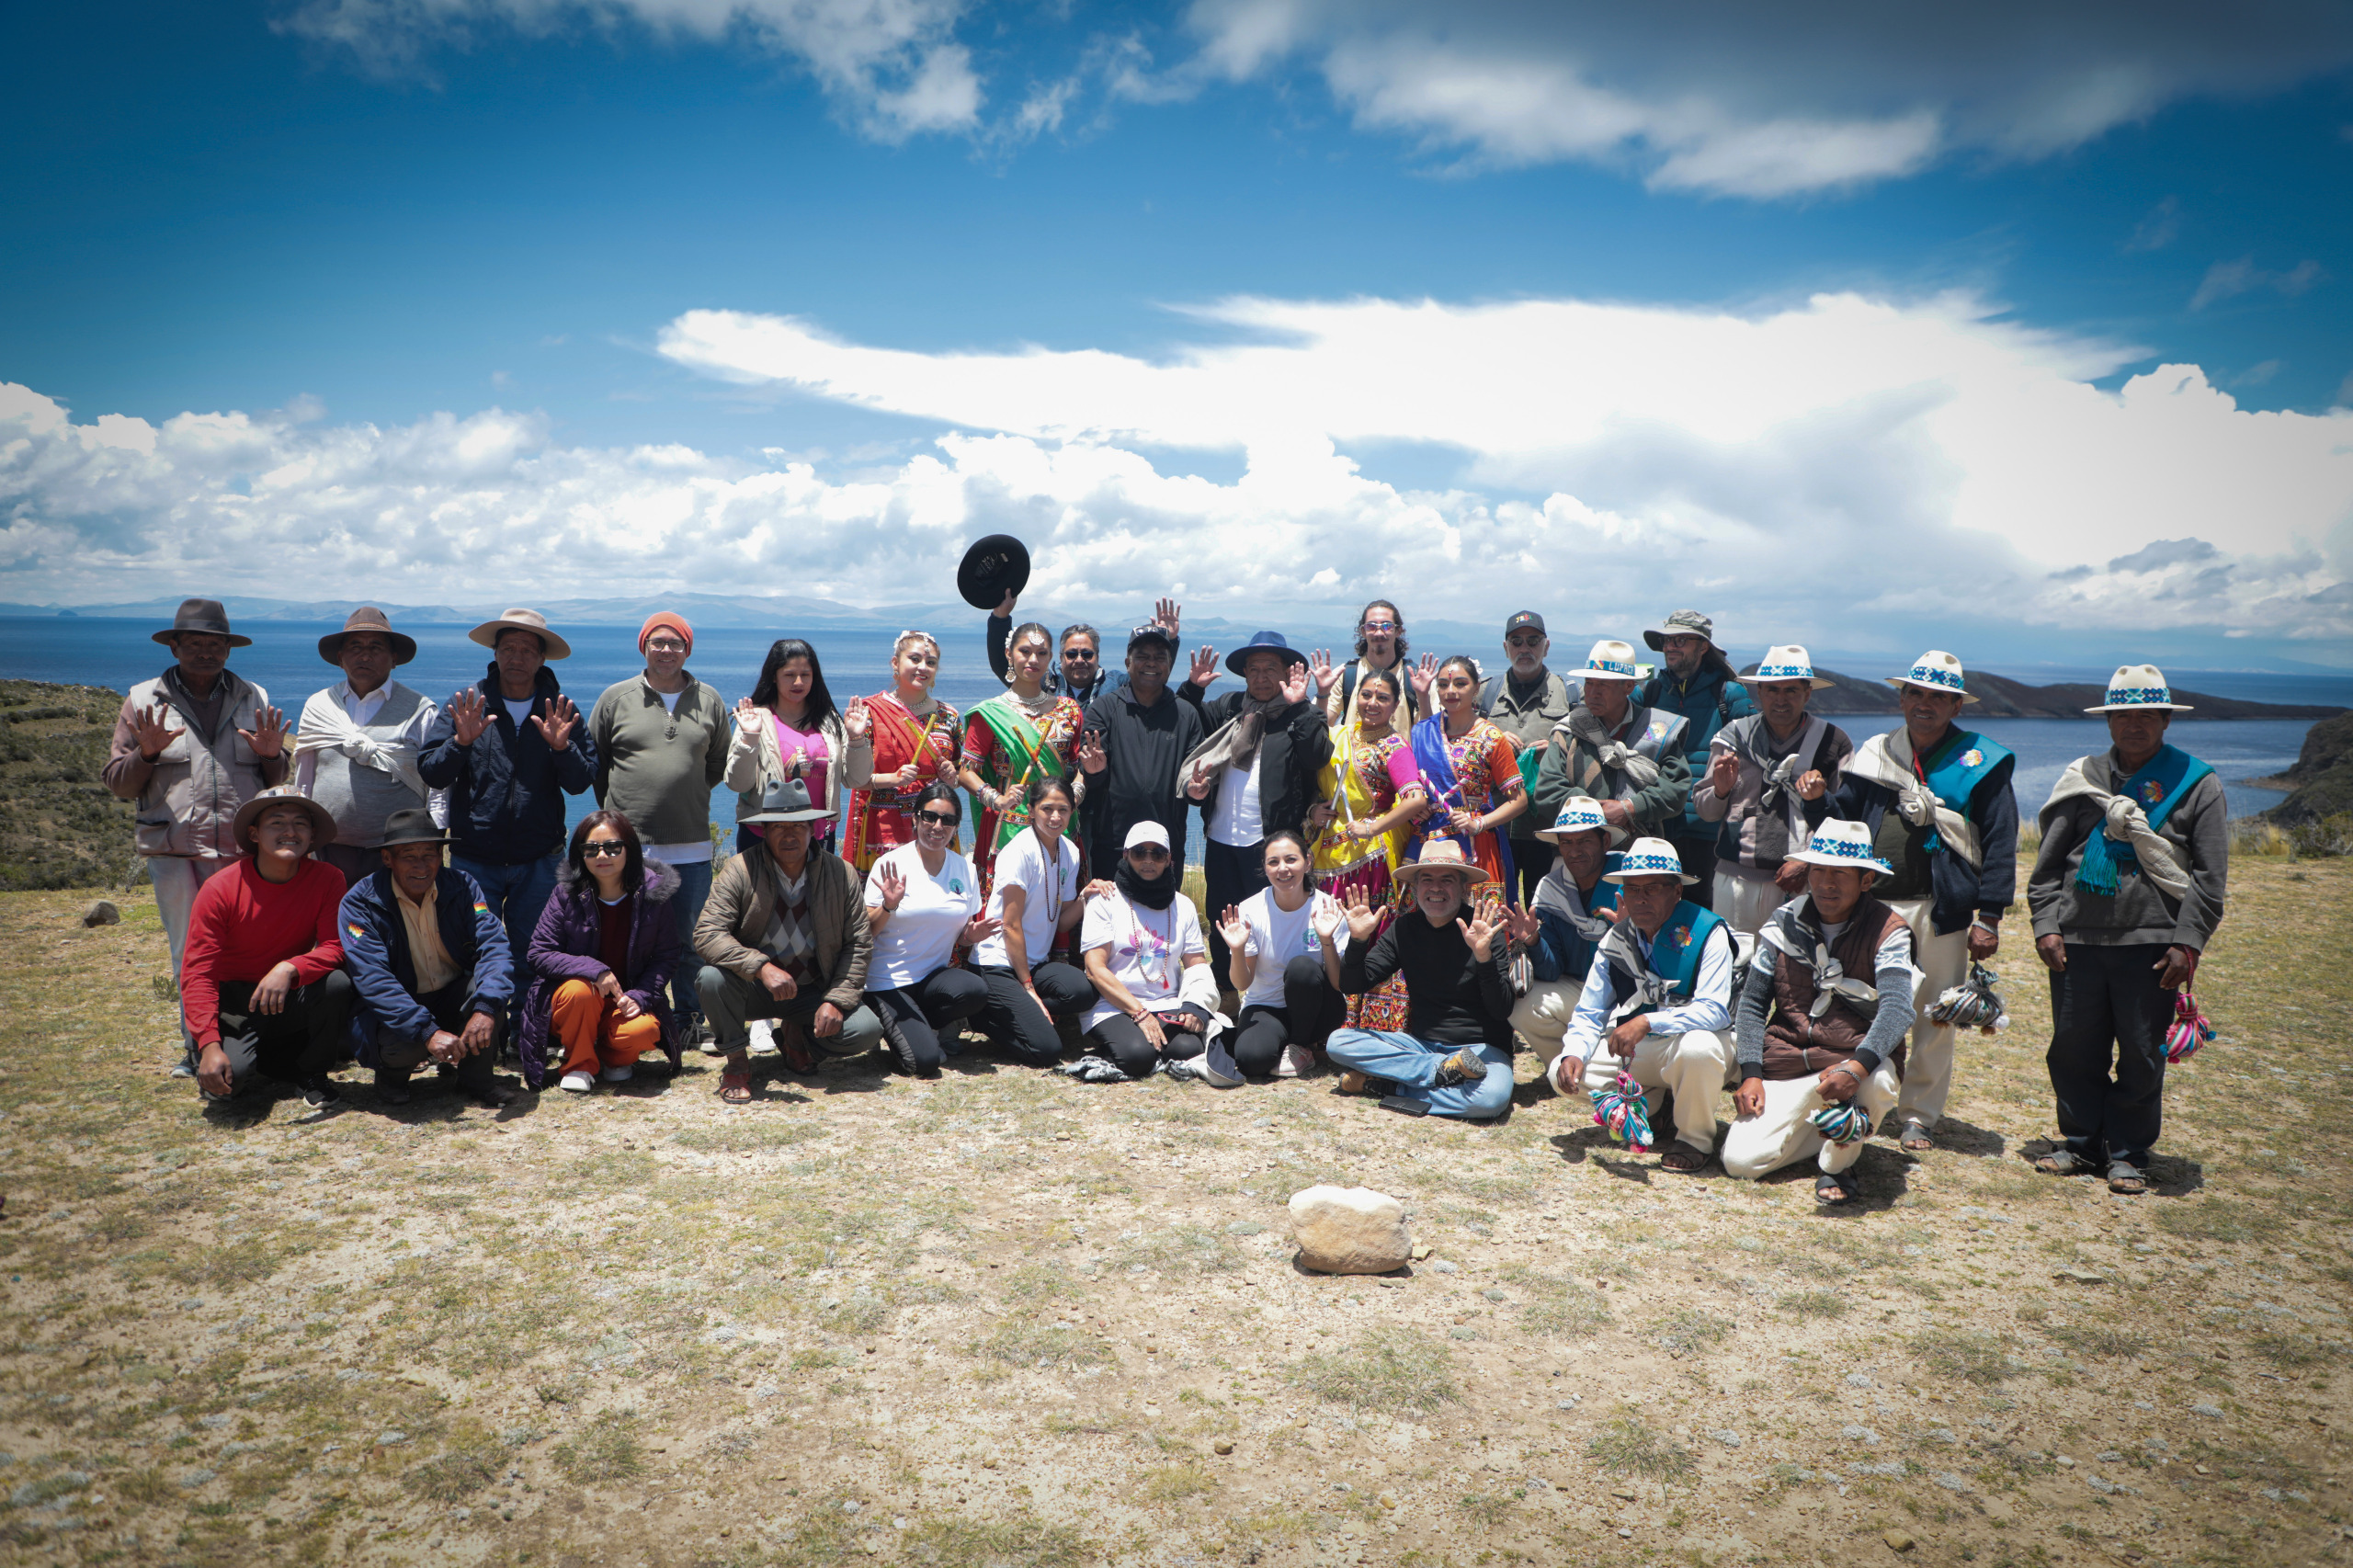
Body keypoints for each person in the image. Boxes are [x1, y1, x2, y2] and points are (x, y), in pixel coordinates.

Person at [2028, 665, 2228, 1196]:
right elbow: (2048, 864)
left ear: (2165, 720)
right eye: (2123, 715)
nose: (2134, 725)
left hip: (2153, 944)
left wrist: (2188, 941)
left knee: (2141, 1052)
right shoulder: (2083, 780)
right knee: (2073, 1048)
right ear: (2109, 721)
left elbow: (2210, 877)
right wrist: (2046, 924)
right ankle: (2080, 1142)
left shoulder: (2196, 783)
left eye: (2146, 715)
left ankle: (2128, 1152)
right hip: (2077, 940)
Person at [1828, 651, 2018, 1153]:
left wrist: (1990, 916)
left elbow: (2000, 838)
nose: (1924, 704)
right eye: (1916, 693)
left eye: (1939, 697)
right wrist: (1812, 800)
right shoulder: (1877, 754)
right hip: (1874, 904)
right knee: (1862, 1005)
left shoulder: (1980, 762)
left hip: (1940, 909)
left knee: (1935, 1014)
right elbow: (1844, 816)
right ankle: (1860, 1098)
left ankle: (1918, 1115)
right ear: (1902, 698)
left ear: (1956, 706)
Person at [104, 597, 288, 1072]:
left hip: (240, 850)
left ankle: (253, 1042)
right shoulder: (142, 700)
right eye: (194, 644)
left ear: (228, 649)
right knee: (190, 950)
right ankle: (198, 1046)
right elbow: (118, 783)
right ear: (175, 647)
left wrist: (273, 756)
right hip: (175, 852)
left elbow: (275, 779)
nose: (206, 653)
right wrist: (145, 754)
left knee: (247, 946)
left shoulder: (253, 697)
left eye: (215, 645)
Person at [417, 608, 597, 1030]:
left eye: (527, 650)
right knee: (471, 948)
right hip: (474, 857)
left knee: (534, 950)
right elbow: (431, 771)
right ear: (495, 654)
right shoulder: (467, 705)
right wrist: (461, 743)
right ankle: (479, 1034)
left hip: (539, 858)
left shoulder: (561, 709)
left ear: (542, 658)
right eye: (509, 648)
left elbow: (581, 781)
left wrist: (561, 748)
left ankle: (525, 1032)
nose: (517, 657)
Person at [1721, 821, 1917, 1204]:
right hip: (1787, 1061)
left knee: (1877, 1081)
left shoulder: (1889, 930)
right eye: (1819, 871)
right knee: (1740, 1163)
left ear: (1865, 881)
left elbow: (1897, 1008)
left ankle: (1837, 1164)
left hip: (1849, 1063)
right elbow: (1753, 1004)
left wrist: (1855, 1068)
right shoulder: (1783, 923)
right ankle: (1825, 1128)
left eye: (1840, 874)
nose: (1827, 883)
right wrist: (1751, 1073)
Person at [1550, 837, 1734, 1173]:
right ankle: (1653, 1107)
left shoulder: (1709, 931)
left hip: (1693, 1045)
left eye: (1652, 888)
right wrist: (1573, 1052)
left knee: (1698, 1049)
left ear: (1676, 891)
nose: (1641, 898)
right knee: (1559, 1072)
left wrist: (1648, 1022)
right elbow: (1590, 1011)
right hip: (1644, 1048)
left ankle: (1694, 1139)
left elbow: (1715, 1011)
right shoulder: (1617, 937)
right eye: (1633, 889)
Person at [694, 778, 885, 1102]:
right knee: (711, 979)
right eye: (779, 827)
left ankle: (797, 1038)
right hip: (754, 987)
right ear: (764, 831)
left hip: (812, 989)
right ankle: (737, 1063)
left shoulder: (841, 873)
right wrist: (760, 967)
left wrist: (836, 1000)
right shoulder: (740, 869)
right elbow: (707, 933)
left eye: (798, 826)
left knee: (865, 1030)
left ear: (813, 830)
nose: (789, 835)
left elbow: (858, 944)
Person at [590, 612, 729, 1045]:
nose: (666, 650)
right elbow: (597, 764)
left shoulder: (710, 700)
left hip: (691, 846)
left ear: (687, 649)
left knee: (691, 938)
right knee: (626, 937)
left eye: (675, 643)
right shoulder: (616, 699)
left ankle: (688, 1018)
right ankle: (626, 1017)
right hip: (628, 848)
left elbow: (717, 764)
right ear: (644, 647)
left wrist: (683, 790)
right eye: (658, 642)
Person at [178, 787, 352, 1108]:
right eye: (277, 822)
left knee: (338, 984)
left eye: (300, 823)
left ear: (312, 835)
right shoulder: (220, 889)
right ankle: (214, 1050)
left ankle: (312, 1073)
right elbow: (199, 972)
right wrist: (209, 1044)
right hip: (234, 1000)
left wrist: (290, 967)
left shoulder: (328, 878)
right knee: (228, 1086)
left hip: (286, 991)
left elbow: (335, 947)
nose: (290, 831)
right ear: (254, 834)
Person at [1324, 840, 1521, 1121]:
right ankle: (1438, 1071)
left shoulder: (1485, 930)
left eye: (1447, 880)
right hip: (1420, 1046)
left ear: (1464, 888)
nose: (1436, 888)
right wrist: (1358, 940)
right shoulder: (1404, 928)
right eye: (1427, 879)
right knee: (1338, 1041)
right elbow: (1353, 984)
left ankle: (1391, 1085)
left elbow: (1502, 1010)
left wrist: (1483, 957)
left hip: (1481, 1050)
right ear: (1415, 888)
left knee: (1490, 1099)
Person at [338, 806, 517, 1108]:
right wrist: (427, 1032)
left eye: (429, 855)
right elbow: (373, 978)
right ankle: (391, 1078)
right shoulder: (359, 903)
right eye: (408, 856)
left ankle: (477, 1081)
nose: (421, 866)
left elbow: (494, 946)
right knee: (403, 1041)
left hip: (450, 993)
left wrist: (485, 1008)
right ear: (387, 858)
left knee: (486, 994)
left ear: (440, 856)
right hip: (400, 1002)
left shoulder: (463, 886)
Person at [1177, 631, 1334, 974]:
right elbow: (1185, 723)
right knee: (1223, 918)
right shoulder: (1230, 707)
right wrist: (1193, 689)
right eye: (1254, 670)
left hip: (1270, 845)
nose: (1261, 677)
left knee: (1271, 922)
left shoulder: (1302, 713)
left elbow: (1317, 756)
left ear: (1287, 673)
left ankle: (1271, 988)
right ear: (1245, 674)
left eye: (1270, 669)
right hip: (1221, 840)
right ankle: (1226, 989)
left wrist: (1299, 706)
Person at [520, 811, 687, 1096]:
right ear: (580, 853)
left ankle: (612, 1056)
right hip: (574, 1004)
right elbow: (539, 952)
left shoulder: (653, 895)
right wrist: (595, 970)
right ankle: (579, 1064)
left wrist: (641, 996)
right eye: (591, 848)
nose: (602, 855)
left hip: (623, 1000)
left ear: (629, 848)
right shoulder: (566, 893)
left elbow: (666, 956)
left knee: (644, 1030)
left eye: (612, 847)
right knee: (579, 991)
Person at [1695, 644, 1853, 936]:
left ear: (1807, 693)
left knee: (1793, 962)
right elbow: (1706, 811)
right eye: (1772, 690)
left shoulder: (1833, 742)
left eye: (1791, 690)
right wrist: (1720, 791)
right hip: (1735, 881)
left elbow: (1847, 821)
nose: (1781, 699)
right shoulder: (1733, 738)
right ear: (1760, 692)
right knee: (1733, 958)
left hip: (1802, 883)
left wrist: (1807, 862)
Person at [1302, 665, 1421, 1036]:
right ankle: (1321, 1024)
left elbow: (1415, 799)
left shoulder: (1394, 746)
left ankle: (1369, 1025)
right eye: (1366, 695)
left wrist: (1371, 827)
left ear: (1395, 705)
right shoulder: (1338, 735)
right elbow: (1312, 768)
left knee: (1365, 939)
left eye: (1382, 697)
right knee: (1324, 935)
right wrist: (1313, 810)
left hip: (1370, 863)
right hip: (1327, 853)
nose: (1372, 703)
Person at [293, 607, 443, 888]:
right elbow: (304, 779)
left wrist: (433, 839)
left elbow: (437, 783)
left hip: (399, 851)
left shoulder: (419, 710)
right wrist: (302, 836)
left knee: (395, 915)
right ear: (341, 658)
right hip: (330, 849)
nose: (365, 656)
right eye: (355, 647)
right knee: (334, 915)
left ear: (394, 658)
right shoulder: (319, 706)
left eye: (376, 647)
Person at [1077, 821, 1233, 1084]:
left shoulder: (1182, 905)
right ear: (1126, 855)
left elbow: (1196, 963)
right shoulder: (1104, 900)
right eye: (1140, 852)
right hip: (1113, 1004)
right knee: (1136, 1057)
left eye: (1158, 854)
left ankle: (1151, 1050)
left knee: (1188, 1049)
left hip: (1166, 1003)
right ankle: (1125, 1049)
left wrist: (1195, 1005)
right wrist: (1139, 1013)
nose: (1148, 861)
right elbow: (1094, 969)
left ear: (1169, 859)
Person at [863, 783, 1001, 1077]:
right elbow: (865, 934)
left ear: (956, 827)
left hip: (931, 980)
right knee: (925, 1063)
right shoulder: (891, 864)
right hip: (888, 982)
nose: (938, 826)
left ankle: (922, 1026)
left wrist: (971, 935)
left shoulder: (964, 869)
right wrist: (888, 906)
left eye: (947, 820)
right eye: (930, 817)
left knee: (975, 991)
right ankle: (886, 1025)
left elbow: (960, 933)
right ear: (915, 818)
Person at [966, 778, 1100, 1065]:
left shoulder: (1070, 851)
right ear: (1031, 810)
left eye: (1063, 810)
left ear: (1072, 811)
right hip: (998, 963)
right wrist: (1028, 988)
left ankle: (1010, 1010)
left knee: (1084, 993)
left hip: (1035, 963)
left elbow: (1061, 923)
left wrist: (1085, 897)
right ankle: (982, 1015)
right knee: (1046, 1050)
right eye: (1047, 809)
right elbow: (1010, 925)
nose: (1055, 817)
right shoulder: (1019, 851)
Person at [1634, 609, 1756, 909]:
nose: (1670, 647)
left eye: (1680, 640)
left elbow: (1755, 755)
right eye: (1666, 641)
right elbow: (1609, 714)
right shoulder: (1650, 692)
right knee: (1657, 912)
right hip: (1659, 827)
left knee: (1706, 917)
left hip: (1710, 833)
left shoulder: (1729, 695)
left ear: (1703, 647)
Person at [1392, 655, 1528, 914]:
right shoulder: (1423, 731)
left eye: (1460, 684)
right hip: (1427, 837)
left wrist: (1479, 823)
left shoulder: (1491, 737)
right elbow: (1414, 782)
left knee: (1478, 920)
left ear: (1476, 688)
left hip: (1475, 842)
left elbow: (1519, 800)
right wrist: (1416, 808)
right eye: (1443, 685)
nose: (1450, 691)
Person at [961, 620, 1087, 893]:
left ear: (1050, 658)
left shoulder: (1069, 710)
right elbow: (966, 772)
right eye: (1025, 651)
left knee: (1058, 901)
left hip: (1058, 821)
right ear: (1009, 654)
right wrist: (997, 800)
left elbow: (1079, 767)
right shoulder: (990, 713)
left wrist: (1075, 795)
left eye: (1041, 653)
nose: (1033, 660)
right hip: (1007, 825)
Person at [1506, 798, 1625, 1083]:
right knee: (1523, 1005)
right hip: (1580, 989)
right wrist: (1533, 940)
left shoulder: (1629, 879)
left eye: (1584, 841)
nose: (1575, 851)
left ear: (1605, 841)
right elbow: (1552, 970)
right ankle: (1564, 1070)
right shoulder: (1552, 888)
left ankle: (1602, 1072)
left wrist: (1632, 932)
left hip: (1627, 994)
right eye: (1567, 842)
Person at [1532, 639, 1693, 845]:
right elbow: (1547, 789)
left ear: (1628, 686)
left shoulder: (1658, 730)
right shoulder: (1568, 731)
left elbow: (1676, 790)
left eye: (1603, 684)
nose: (1592, 693)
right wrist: (1597, 811)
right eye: (1589, 683)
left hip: (1639, 852)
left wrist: (1630, 809)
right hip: (1578, 852)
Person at [1217, 830, 1348, 1080]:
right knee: (1251, 1061)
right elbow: (1242, 984)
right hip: (1266, 1005)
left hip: (1318, 1008)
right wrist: (1237, 950)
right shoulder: (1251, 909)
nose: (1283, 869)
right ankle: (1288, 1043)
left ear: (1307, 862)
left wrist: (1327, 940)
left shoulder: (1327, 908)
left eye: (1291, 859)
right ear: (1265, 868)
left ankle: (1300, 1044)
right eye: (1273, 862)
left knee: (1301, 968)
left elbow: (1337, 983)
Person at [1079, 622, 1205, 876]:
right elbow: (1093, 777)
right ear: (1128, 662)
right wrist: (1094, 771)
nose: (1151, 663)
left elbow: (1193, 781)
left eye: (1159, 657)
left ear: (1169, 664)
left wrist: (1196, 792)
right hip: (1113, 846)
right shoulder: (1104, 709)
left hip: (1166, 849)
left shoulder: (1186, 714)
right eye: (1143, 656)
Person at [842, 631, 961, 873]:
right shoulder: (870, 713)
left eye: (931, 662)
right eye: (915, 659)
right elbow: (853, 779)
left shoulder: (949, 716)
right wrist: (893, 779)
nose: (923, 667)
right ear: (895, 663)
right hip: (884, 826)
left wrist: (952, 776)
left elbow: (961, 774)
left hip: (936, 824)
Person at [1478, 611, 1576, 904]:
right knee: (1493, 906)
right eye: (1516, 641)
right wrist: (1492, 741)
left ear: (1546, 646)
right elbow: (1460, 743)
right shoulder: (1484, 694)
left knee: (1544, 909)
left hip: (1546, 828)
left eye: (1533, 641)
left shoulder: (1571, 695)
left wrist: (1558, 748)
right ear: (1505, 648)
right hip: (1496, 825)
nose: (1525, 648)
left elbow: (1588, 753)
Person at [728, 637, 848, 856]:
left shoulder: (829, 722)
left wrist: (857, 739)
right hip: (762, 836)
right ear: (774, 676)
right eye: (789, 675)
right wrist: (750, 738)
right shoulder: (754, 719)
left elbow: (856, 779)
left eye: (805, 675)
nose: (798, 682)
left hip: (818, 837)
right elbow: (737, 783)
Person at [988, 592, 1179, 701]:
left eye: (1087, 654)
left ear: (1097, 656)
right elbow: (1003, 666)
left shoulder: (1117, 685)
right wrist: (1000, 618)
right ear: (1060, 657)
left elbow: (1152, 677)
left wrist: (1168, 640)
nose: (1079, 660)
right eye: (1072, 654)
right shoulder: (1043, 683)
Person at [1324, 599, 1434, 732]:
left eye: (1387, 626)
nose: (1379, 633)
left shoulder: (1416, 678)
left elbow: (1430, 733)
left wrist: (1423, 696)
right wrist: (1322, 693)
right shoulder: (1344, 675)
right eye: (1371, 626)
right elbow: (1322, 726)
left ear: (1398, 631)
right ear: (1363, 631)